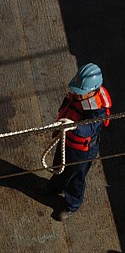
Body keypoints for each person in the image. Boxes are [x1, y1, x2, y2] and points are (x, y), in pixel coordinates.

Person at [48, 63, 112, 222]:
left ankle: (72, 204)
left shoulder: (99, 110)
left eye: (80, 93)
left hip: (82, 150)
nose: (76, 95)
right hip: (67, 140)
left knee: (76, 177)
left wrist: (74, 126)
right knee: (59, 165)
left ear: (93, 90)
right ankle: (55, 187)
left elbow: (90, 128)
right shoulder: (78, 95)